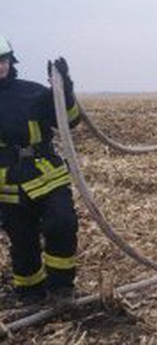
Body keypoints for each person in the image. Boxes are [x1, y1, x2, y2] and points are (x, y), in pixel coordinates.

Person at [0, 35, 81, 304]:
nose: (0, 65)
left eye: (3, 59)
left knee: (63, 223)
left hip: (45, 174)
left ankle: (61, 287)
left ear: (11, 61)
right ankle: (30, 293)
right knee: (23, 242)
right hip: (8, 182)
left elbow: (69, 121)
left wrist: (64, 90)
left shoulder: (33, 92)